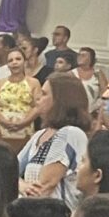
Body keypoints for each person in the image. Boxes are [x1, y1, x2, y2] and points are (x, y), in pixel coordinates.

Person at [17, 72, 90, 203]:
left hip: (59, 211)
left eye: (44, 94)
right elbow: (10, 171)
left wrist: (21, 186)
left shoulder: (71, 133)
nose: (38, 98)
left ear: (60, 101)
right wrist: (23, 186)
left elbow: (44, 187)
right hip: (31, 208)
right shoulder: (39, 135)